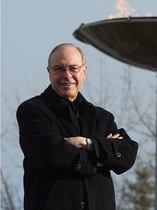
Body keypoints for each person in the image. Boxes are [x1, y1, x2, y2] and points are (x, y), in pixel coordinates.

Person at [16, 43, 138, 210]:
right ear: (49, 72)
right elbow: (51, 155)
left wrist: (86, 143)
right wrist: (101, 158)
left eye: (73, 68)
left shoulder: (101, 117)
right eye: (59, 69)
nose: (67, 75)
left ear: (84, 72)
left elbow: (127, 154)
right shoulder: (32, 111)